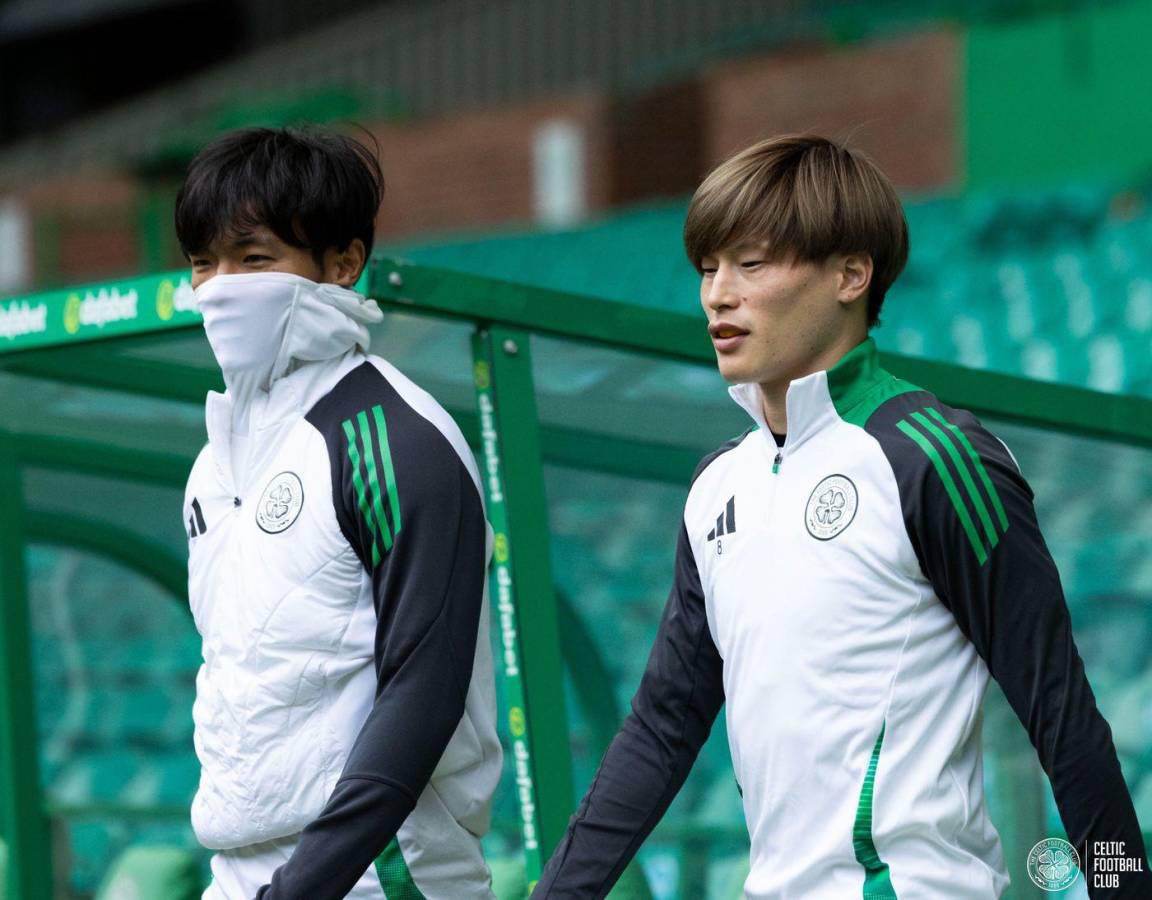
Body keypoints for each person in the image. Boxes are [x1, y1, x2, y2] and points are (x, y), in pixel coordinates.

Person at [532, 135, 1150, 898]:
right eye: (707, 268)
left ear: (851, 274)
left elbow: (1060, 713)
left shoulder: (936, 457)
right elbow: (660, 731)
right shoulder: (717, 485)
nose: (719, 294)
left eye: (751, 264)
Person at [175, 126, 501, 899]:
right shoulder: (208, 469)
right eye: (202, 263)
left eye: (254, 260)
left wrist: (307, 884)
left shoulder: (394, 438)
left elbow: (423, 693)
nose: (221, 287)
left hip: (380, 873)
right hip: (236, 873)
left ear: (343, 264)